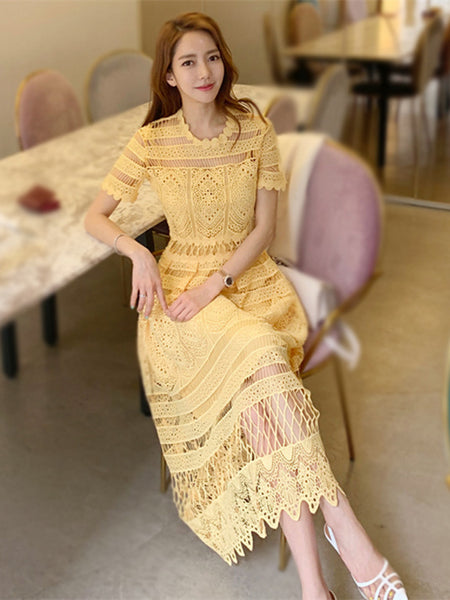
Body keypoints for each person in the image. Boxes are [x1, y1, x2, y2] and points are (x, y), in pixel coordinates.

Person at [84, 12, 407, 600]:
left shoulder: (253, 128)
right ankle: (345, 529)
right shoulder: (153, 140)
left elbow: (263, 229)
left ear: (224, 61)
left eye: (212, 56)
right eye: (188, 62)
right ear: (169, 76)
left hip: (249, 280)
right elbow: (95, 215)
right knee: (262, 359)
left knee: (263, 387)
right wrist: (139, 252)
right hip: (181, 298)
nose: (204, 71)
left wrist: (219, 282)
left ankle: (315, 587)